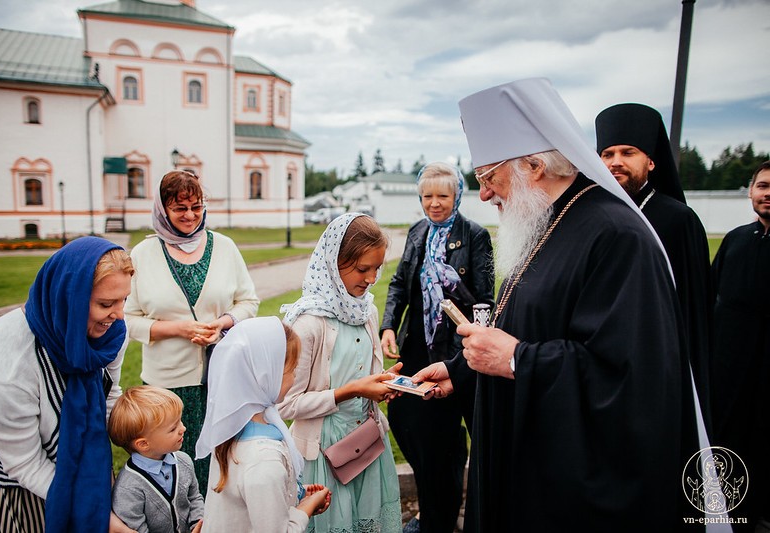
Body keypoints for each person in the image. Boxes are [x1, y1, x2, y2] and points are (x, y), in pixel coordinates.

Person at [412, 78, 705, 531]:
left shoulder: (615, 236)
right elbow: (528, 323)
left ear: (533, 166)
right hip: (525, 460)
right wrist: (462, 370)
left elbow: (629, 375)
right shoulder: (542, 221)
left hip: (566, 489)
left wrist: (516, 360)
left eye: (488, 176)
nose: (484, 194)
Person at [0, 237, 136, 532]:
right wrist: (94, 512)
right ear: (69, 298)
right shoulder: (5, 364)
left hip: (85, 470)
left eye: (124, 300)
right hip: (13, 490)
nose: (120, 315)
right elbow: (24, 464)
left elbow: (108, 394)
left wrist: (144, 443)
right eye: (106, 304)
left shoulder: (110, 336)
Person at [125, 170, 260, 493]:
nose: (190, 215)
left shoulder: (225, 247)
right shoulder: (142, 254)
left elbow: (249, 302)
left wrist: (222, 324)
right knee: (176, 473)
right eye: (180, 208)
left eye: (196, 207)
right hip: (167, 386)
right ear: (163, 210)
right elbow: (127, 318)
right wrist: (177, 329)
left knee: (220, 467)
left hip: (221, 378)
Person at [380, 162, 493, 533]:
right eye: (427, 196)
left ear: (457, 195)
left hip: (455, 353)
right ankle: (432, 511)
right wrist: (388, 325)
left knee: (445, 439)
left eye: (442, 195)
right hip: (417, 348)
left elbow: (485, 302)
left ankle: (442, 517)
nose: (434, 203)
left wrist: (467, 350)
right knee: (410, 425)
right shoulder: (417, 232)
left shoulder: (474, 235)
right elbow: (399, 284)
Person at [278, 213, 403, 532]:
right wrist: (351, 391)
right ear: (334, 264)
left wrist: (384, 383)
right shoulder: (308, 324)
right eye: (362, 269)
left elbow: (364, 371)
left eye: (377, 268)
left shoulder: (367, 311)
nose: (372, 278)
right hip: (323, 454)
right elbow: (286, 405)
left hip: (368, 444)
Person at [596, 103, 713, 421]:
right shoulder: (592, 215)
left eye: (628, 152)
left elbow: (691, 310)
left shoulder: (679, 220)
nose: (616, 162)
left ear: (650, 161)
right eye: (607, 154)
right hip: (601, 361)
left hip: (658, 361)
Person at [194, 317, 331, 532]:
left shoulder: (230, 430)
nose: (295, 377)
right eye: (292, 369)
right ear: (266, 374)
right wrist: (307, 507)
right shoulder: (264, 461)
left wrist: (293, 493)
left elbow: (245, 498)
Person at [710, 161, 770, 531]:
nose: (768, 194)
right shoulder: (735, 240)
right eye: (762, 186)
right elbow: (711, 298)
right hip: (728, 367)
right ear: (750, 192)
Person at [109, 386, 205, 533]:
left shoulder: (184, 461)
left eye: (180, 421)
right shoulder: (129, 487)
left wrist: (198, 524)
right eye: (173, 429)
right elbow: (136, 528)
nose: (183, 428)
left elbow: (194, 497)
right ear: (143, 444)